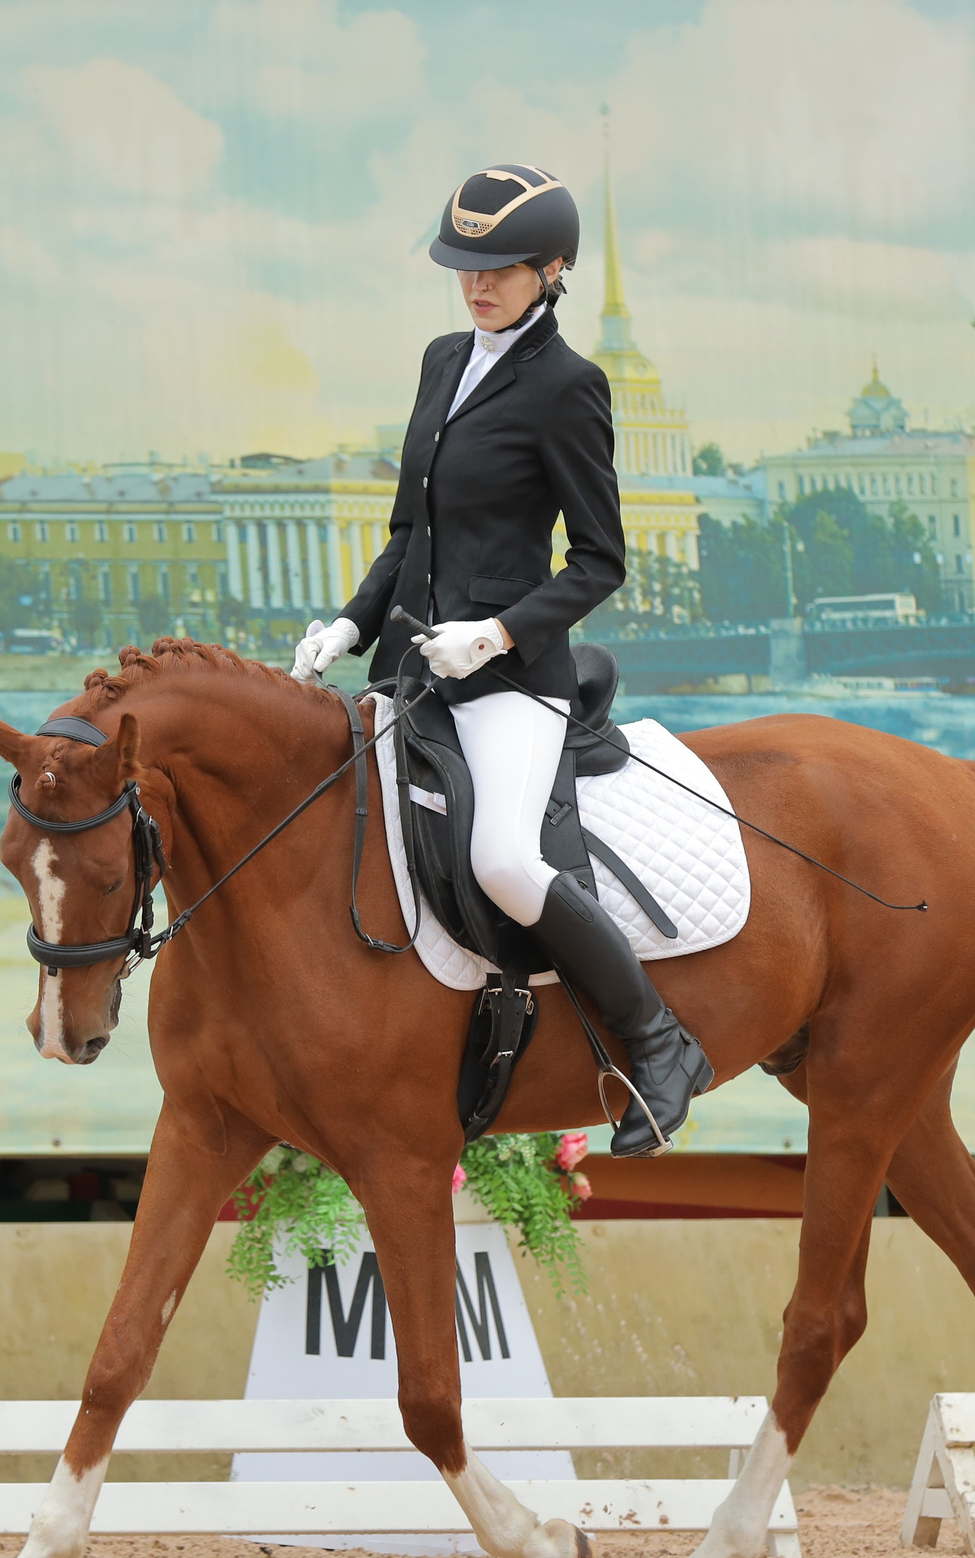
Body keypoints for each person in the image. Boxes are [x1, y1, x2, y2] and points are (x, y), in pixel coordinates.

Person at [290, 163, 710, 1158]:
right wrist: (349, 624)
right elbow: (411, 532)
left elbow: (601, 560)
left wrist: (498, 633)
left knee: (505, 861)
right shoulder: (442, 361)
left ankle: (659, 1043)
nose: (477, 286)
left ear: (553, 270)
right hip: (408, 668)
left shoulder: (569, 387)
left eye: (502, 269)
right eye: (465, 267)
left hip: (512, 681)